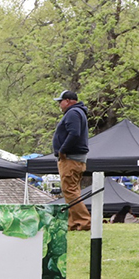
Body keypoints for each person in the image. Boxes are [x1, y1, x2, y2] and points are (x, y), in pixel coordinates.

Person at [53, 89, 91, 231]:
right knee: (72, 190)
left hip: (71, 158)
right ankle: (73, 223)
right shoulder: (78, 112)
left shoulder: (73, 113)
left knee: (69, 190)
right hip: (76, 158)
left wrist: (63, 150)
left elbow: (74, 133)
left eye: (60, 101)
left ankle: (84, 222)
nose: (59, 105)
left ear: (68, 101)